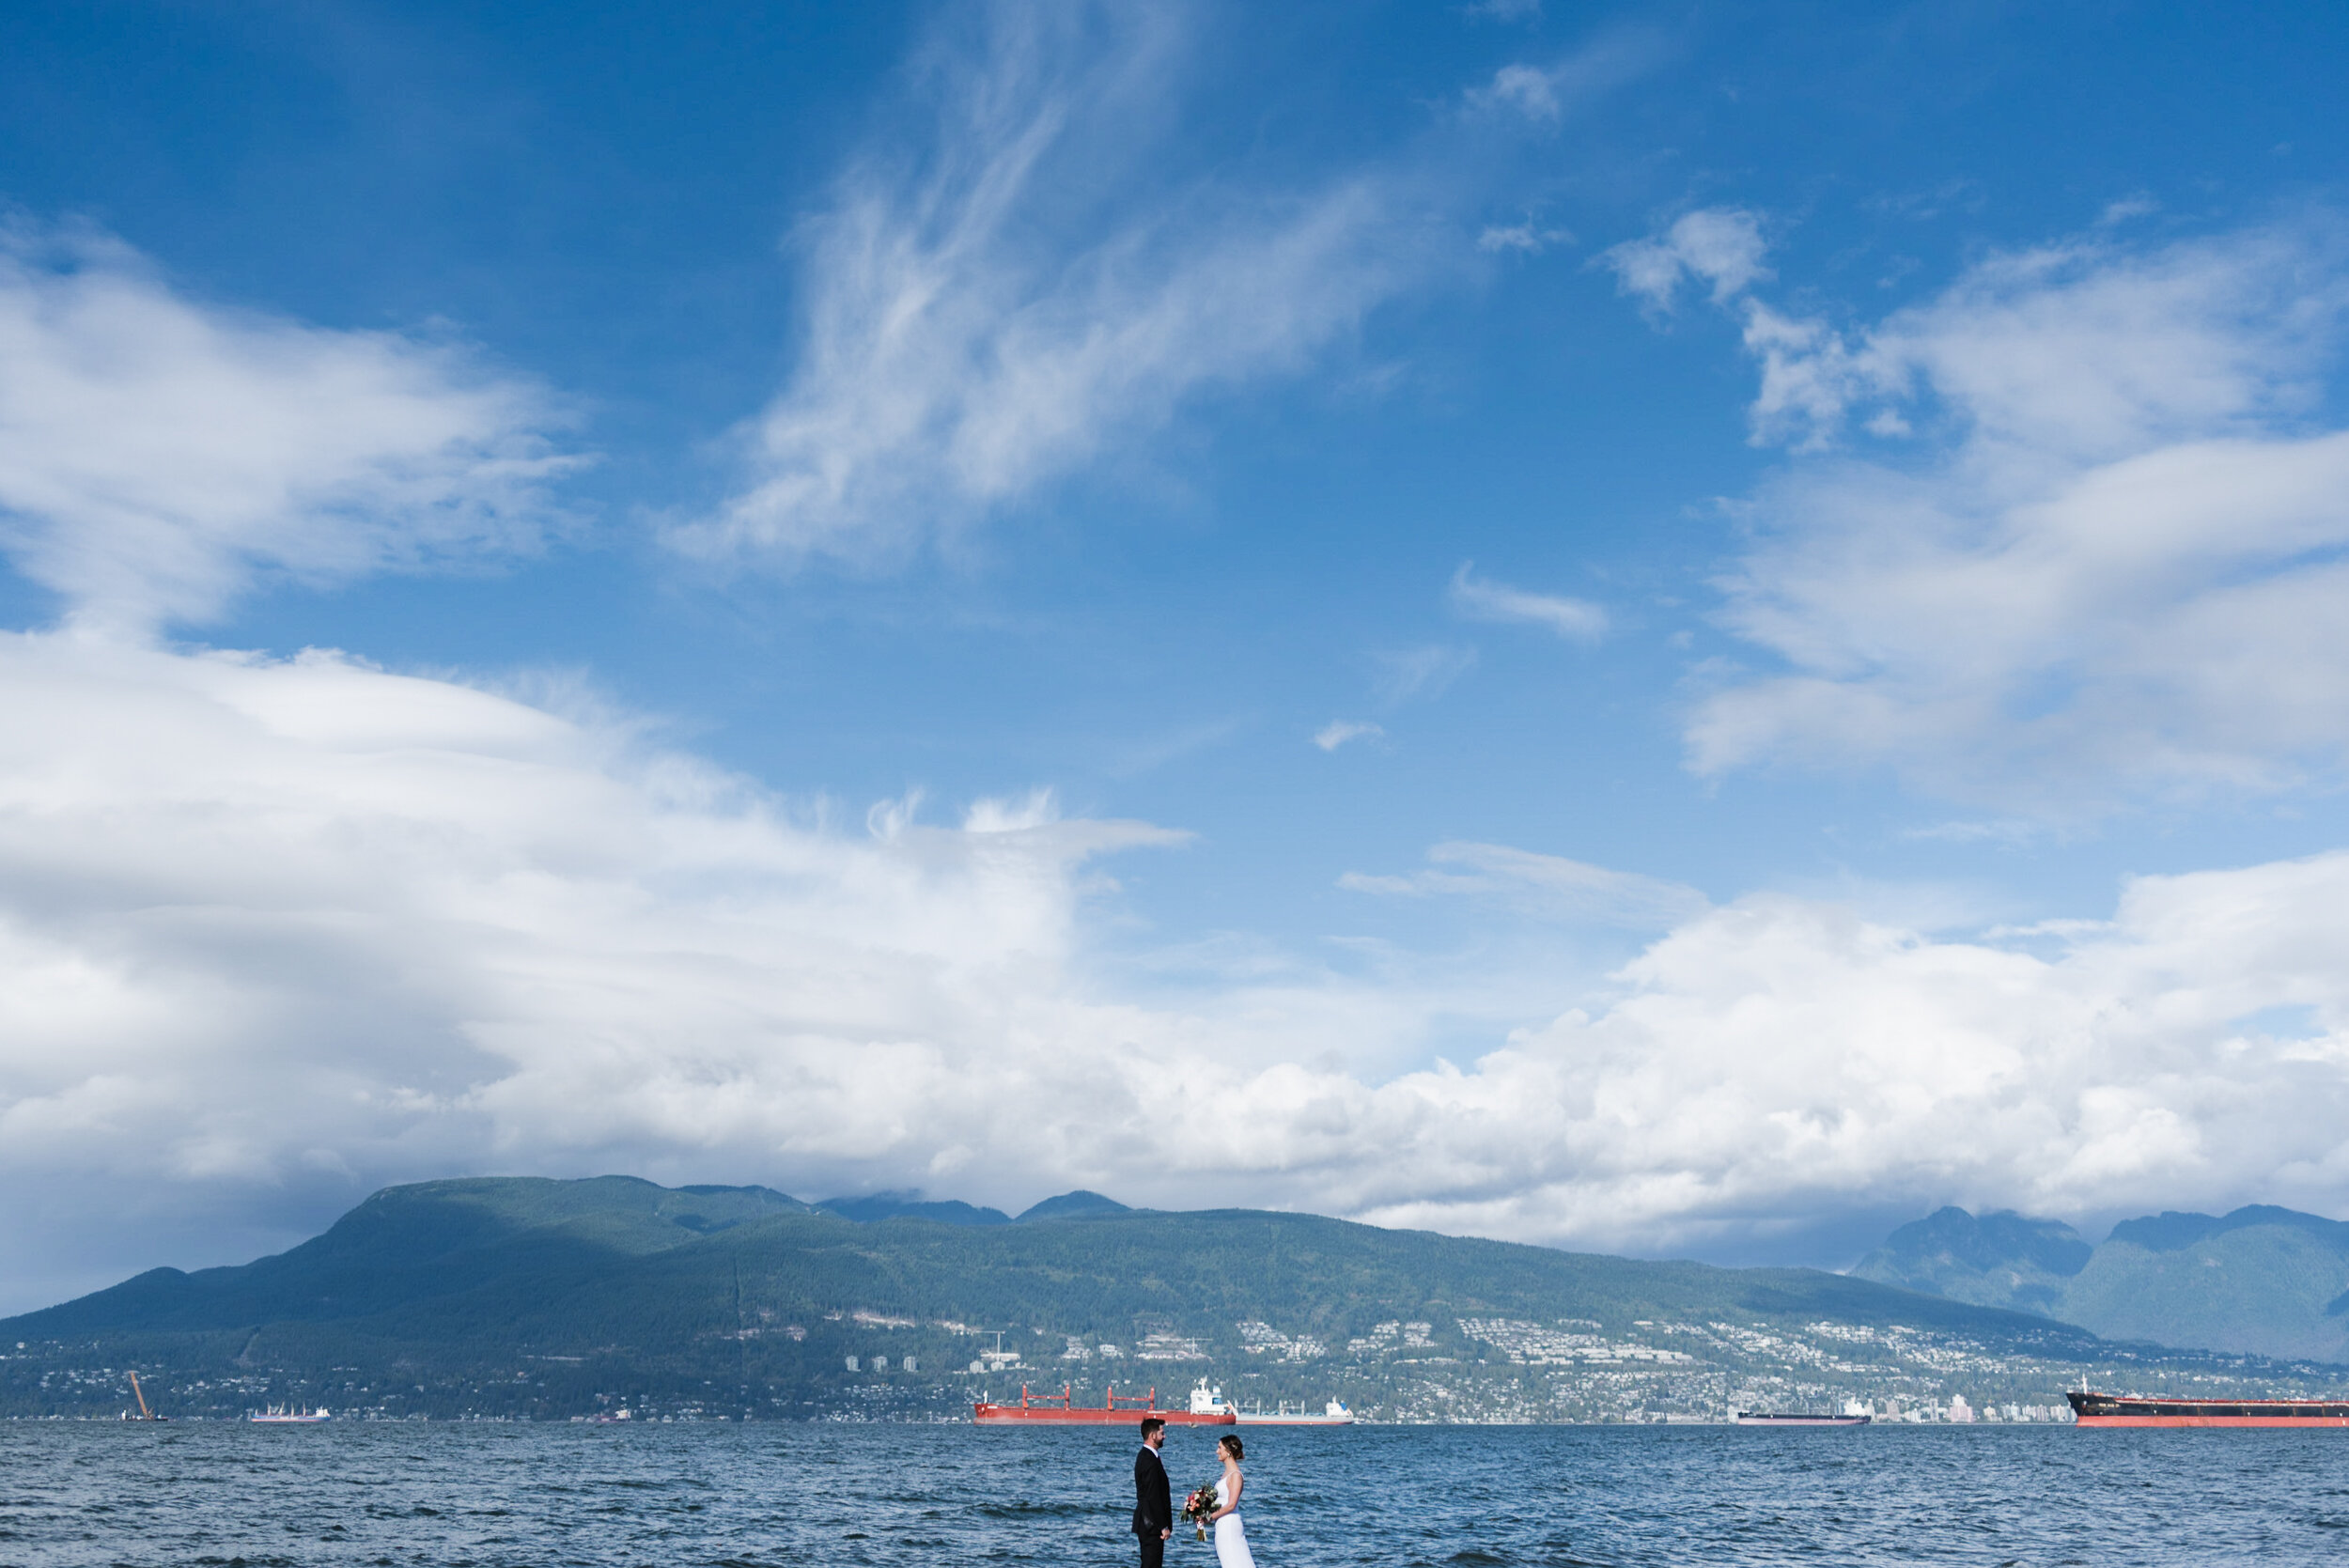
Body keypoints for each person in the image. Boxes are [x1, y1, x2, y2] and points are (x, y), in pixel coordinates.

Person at [1205, 1433, 1256, 1567]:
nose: (1217, 1451)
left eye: (1219, 1448)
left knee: (1235, 1561)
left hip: (1230, 1525)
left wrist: (1209, 1517)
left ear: (1228, 1451)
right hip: (1222, 1525)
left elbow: (1231, 1504)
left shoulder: (1236, 1476)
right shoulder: (1225, 1475)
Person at [1132, 1415, 1173, 1568]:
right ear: (1152, 1436)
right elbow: (1152, 1496)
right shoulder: (1149, 1460)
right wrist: (1163, 1526)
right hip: (1151, 1524)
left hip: (1148, 1522)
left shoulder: (1148, 1457)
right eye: (1162, 1433)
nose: (1164, 1436)